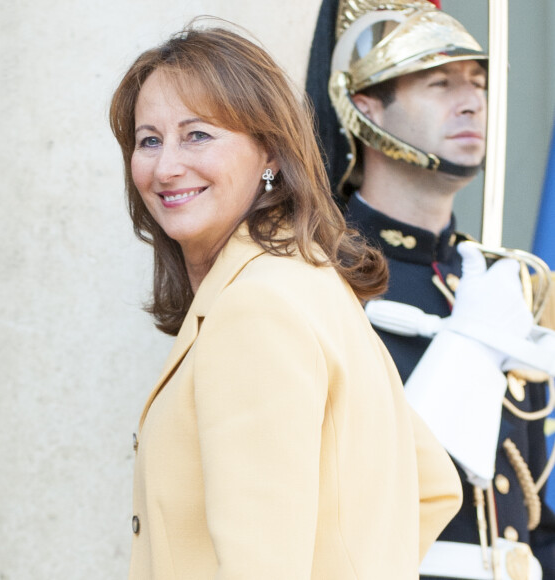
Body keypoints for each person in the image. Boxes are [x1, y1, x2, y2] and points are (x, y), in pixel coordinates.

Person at [109, 22, 463, 580]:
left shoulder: (255, 310)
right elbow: (434, 485)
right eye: (148, 139)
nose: (166, 165)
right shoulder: (309, 283)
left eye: (197, 134)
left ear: (270, 150)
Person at [306, 0, 555, 579]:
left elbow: (532, 512)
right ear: (365, 106)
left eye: (480, 83)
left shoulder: (496, 281)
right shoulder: (320, 275)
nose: (472, 101)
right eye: (440, 82)